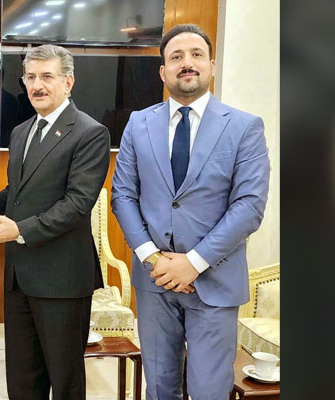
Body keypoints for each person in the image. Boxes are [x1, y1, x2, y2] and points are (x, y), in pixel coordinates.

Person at [111, 24, 270, 400]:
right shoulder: (138, 123)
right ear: (163, 71)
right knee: (160, 388)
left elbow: (249, 206)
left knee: (208, 391)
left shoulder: (245, 127)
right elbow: (122, 195)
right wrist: (153, 258)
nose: (187, 63)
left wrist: (193, 262)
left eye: (196, 55)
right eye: (176, 57)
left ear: (212, 65)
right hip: (155, 283)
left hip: (215, 283)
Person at [0, 44, 110, 399]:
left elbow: (77, 204)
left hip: (62, 280)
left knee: (65, 381)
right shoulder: (22, 131)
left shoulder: (89, 132)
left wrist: (19, 230)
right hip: (19, 277)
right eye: (30, 77)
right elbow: (18, 194)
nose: (37, 85)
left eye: (47, 77)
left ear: (68, 82)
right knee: (23, 381)